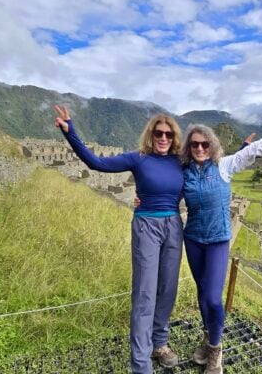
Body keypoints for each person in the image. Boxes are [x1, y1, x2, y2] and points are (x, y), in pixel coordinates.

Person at [53, 105, 184, 374]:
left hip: (174, 225)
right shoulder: (138, 158)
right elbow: (96, 163)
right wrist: (71, 132)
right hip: (147, 224)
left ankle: (159, 343)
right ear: (151, 134)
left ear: (174, 138)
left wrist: (244, 147)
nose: (163, 138)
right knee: (145, 293)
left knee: (168, 289)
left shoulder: (179, 161)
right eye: (158, 133)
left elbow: (212, 165)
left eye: (168, 135)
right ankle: (141, 364)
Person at [181, 118, 262, 374]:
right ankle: (207, 339)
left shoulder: (224, 166)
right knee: (202, 293)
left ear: (212, 145)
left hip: (217, 241)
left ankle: (216, 349)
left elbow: (255, 150)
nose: (200, 148)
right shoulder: (183, 172)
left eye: (205, 143)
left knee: (213, 299)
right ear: (188, 147)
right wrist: (144, 200)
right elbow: (163, 188)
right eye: (195, 144)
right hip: (193, 239)